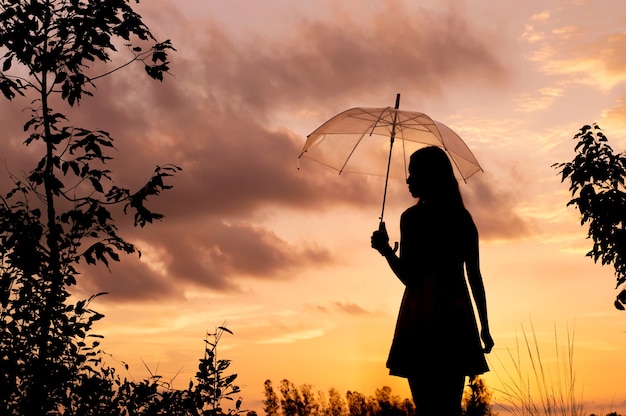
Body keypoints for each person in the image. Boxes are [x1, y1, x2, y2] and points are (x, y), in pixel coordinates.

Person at [370, 146, 494, 415]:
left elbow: (409, 277)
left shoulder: (412, 219)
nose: (408, 180)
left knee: (426, 408)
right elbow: (474, 276)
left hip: (419, 321)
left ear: (429, 177)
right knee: (449, 408)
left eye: (413, 173)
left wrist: (385, 252)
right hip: (456, 319)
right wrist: (484, 326)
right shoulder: (462, 218)